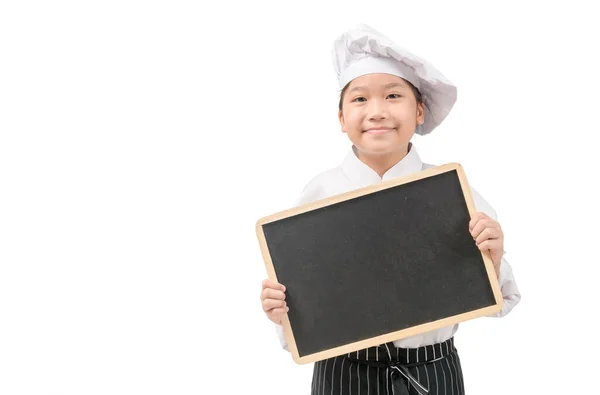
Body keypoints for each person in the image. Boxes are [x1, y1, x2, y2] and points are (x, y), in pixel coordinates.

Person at [260, 24, 521, 395]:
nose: (377, 111)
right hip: (343, 373)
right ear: (341, 119)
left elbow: (499, 302)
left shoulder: (454, 192)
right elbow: (300, 325)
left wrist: (491, 261)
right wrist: (282, 311)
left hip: (434, 370)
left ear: (419, 111)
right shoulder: (317, 194)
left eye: (393, 95)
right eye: (360, 99)